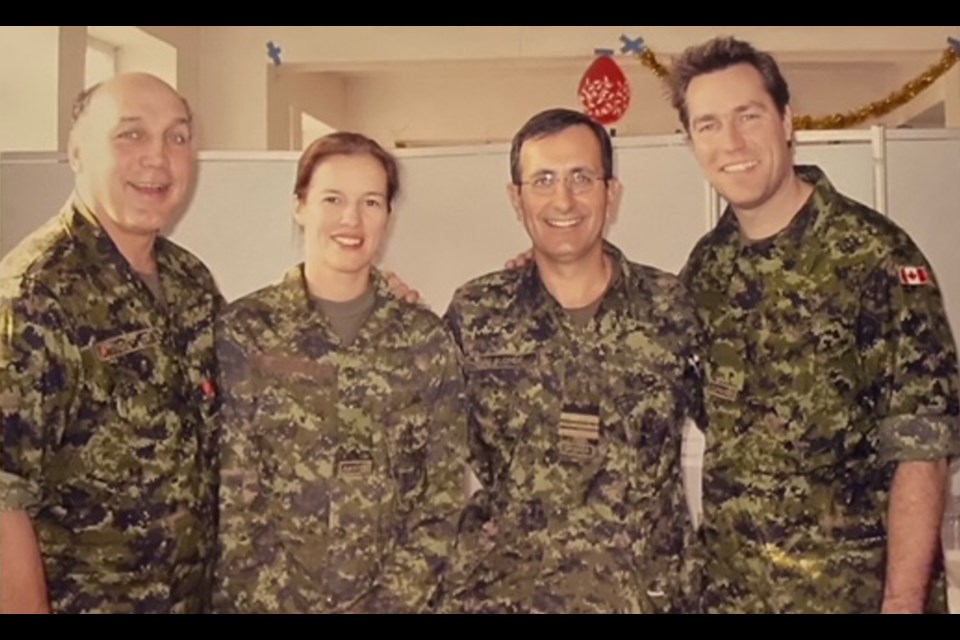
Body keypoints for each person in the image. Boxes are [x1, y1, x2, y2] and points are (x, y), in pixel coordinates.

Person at [671, 36, 960, 613]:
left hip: (847, 597)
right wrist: (551, 265)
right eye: (708, 125)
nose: (731, 143)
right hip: (734, 596)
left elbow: (922, 447)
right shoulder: (706, 269)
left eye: (747, 116)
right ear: (691, 140)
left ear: (786, 120)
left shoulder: (872, 255)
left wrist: (902, 604)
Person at [442, 109, 705, 613]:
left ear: (612, 192)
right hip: (509, 597)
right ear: (516, 199)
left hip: (646, 598)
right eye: (543, 180)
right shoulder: (476, 315)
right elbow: (421, 449)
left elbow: (740, 435)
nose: (563, 200)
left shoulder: (670, 306)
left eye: (581, 178)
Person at [213, 132, 467, 613]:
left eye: (370, 202)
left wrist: (390, 605)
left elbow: (443, 495)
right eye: (333, 199)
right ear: (300, 205)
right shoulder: (245, 333)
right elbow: (232, 495)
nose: (351, 219)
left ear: (388, 215)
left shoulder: (425, 340)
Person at [0, 73, 223, 614]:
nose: (159, 159)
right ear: (77, 153)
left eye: (177, 137)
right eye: (131, 135)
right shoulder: (36, 292)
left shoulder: (189, 280)